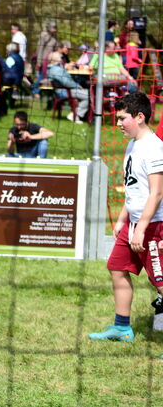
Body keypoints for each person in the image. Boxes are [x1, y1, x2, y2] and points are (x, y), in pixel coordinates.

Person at [89, 93, 163, 343]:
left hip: (153, 226)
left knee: (161, 284)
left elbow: (157, 193)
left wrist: (141, 228)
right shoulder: (133, 144)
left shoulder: (154, 147)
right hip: (134, 223)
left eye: (122, 118)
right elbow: (133, 187)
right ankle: (122, 328)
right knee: (117, 268)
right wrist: (123, 218)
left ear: (140, 117)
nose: (118, 124)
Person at [47, 51, 90, 123]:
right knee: (89, 95)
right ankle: (76, 115)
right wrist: (77, 86)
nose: (62, 58)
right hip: (65, 92)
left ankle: (83, 115)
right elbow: (66, 82)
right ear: (55, 59)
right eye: (60, 57)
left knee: (90, 93)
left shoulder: (57, 68)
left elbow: (66, 81)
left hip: (66, 90)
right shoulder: (56, 70)